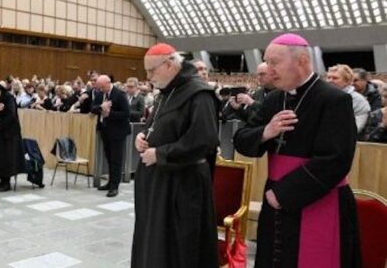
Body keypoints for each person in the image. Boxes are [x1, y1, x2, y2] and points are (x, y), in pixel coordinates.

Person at [233, 33, 361, 268]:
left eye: (275, 62)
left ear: (301, 61)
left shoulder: (334, 100)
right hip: (275, 199)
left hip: (317, 198)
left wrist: (283, 195)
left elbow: (336, 160)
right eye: (267, 62)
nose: (269, 70)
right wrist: (266, 132)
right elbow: (241, 139)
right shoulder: (273, 100)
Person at [132, 43, 219, 268]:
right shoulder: (166, 92)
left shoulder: (199, 94)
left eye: (152, 71)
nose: (148, 77)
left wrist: (160, 154)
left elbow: (203, 140)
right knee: (155, 240)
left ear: (170, 64)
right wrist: (142, 136)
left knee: (178, 247)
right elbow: (157, 127)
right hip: (159, 184)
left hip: (183, 184)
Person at [91, 75, 130, 197]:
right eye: (99, 87)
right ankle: (110, 182)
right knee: (109, 158)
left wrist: (109, 114)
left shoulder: (119, 94)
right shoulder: (99, 94)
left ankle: (114, 186)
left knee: (116, 160)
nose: (101, 89)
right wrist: (100, 107)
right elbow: (92, 108)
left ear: (109, 83)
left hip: (118, 132)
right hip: (104, 130)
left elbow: (126, 113)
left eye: (102, 87)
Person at [326, 64, 371, 133]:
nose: (330, 81)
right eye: (328, 78)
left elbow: (354, 129)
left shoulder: (359, 101)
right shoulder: (322, 97)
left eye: (335, 78)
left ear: (347, 81)